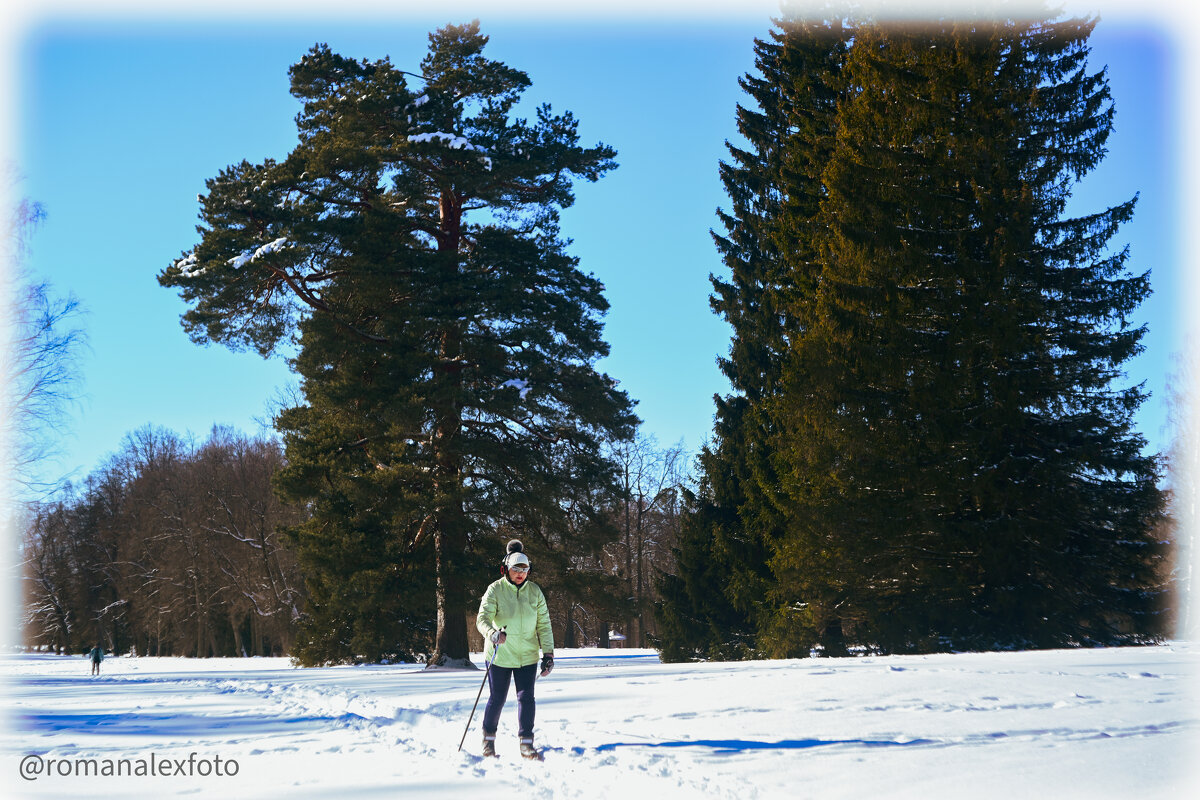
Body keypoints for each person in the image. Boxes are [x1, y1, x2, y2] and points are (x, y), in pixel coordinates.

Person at [475, 539, 554, 759]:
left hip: (527, 656)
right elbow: (482, 619)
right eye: (516, 569)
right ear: (506, 569)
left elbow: (544, 625)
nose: (520, 574)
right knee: (497, 698)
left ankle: (526, 744)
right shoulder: (495, 589)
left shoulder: (535, 592)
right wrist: (492, 634)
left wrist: (548, 654)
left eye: (525, 569)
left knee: (526, 698)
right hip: (500, 655)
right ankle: (488, 742)